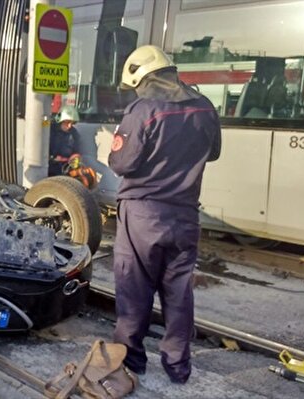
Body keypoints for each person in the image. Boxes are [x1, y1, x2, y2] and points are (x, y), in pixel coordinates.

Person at [108, 45, 221, 384]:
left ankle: (130, 360)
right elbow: (213, 152)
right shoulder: (204, 107)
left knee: (134, 288)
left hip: (142, 214)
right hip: (185, 215)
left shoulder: (143, 109)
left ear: (142, 77)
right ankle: (177, 366)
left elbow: (121, 162)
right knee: (178, 292)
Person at [48, 105, 81, 177]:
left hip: (65, 170)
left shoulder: (74, 134)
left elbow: (76, 152)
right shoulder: (49, 130)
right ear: (60, 120)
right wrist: (51, 158)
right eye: (67, 122)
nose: (69, 126)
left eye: (72, 123)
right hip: (47, 169)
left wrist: (75, 159)